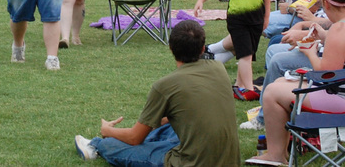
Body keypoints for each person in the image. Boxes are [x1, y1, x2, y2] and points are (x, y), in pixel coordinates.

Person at [246, 0, 345, 166]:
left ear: (328, 6)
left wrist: (310, 51)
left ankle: (276, 155)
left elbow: (327, 75)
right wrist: (324, 36)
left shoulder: (341, 29)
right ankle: (280, 150)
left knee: (272, 92)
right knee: (280, 83)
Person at [73, 21, 240, 166]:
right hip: (228, 160)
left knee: (113, 144)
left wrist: (107, 130)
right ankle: (150, 143)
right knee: (167, 126)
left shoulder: (165, 85)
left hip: (189, 162)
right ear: (203, 48)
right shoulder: (219, 68)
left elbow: (134, 138)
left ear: (170, 48)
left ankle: (95, 145)